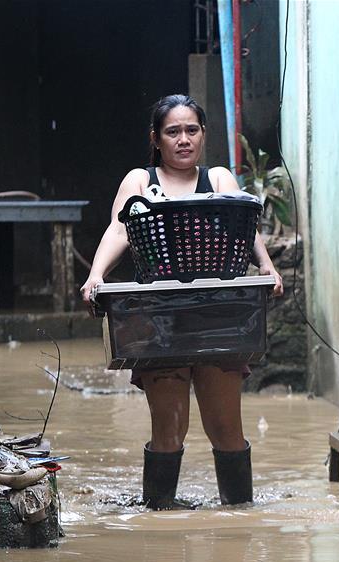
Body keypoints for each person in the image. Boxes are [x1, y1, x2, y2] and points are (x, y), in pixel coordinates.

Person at [79, 94, 283, 509]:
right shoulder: (140, 180)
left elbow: (245, 225)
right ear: (156, 138)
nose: (184, 139)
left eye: (192, 130)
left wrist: (266, 266)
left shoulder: (220, 178)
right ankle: (160, 513)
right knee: (169, 428)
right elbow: (118, 231)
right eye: (173, 131)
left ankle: (239, 513)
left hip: (218, 315)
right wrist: (95, 275)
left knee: (226, 426)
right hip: (159, 318)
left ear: (203, 135)